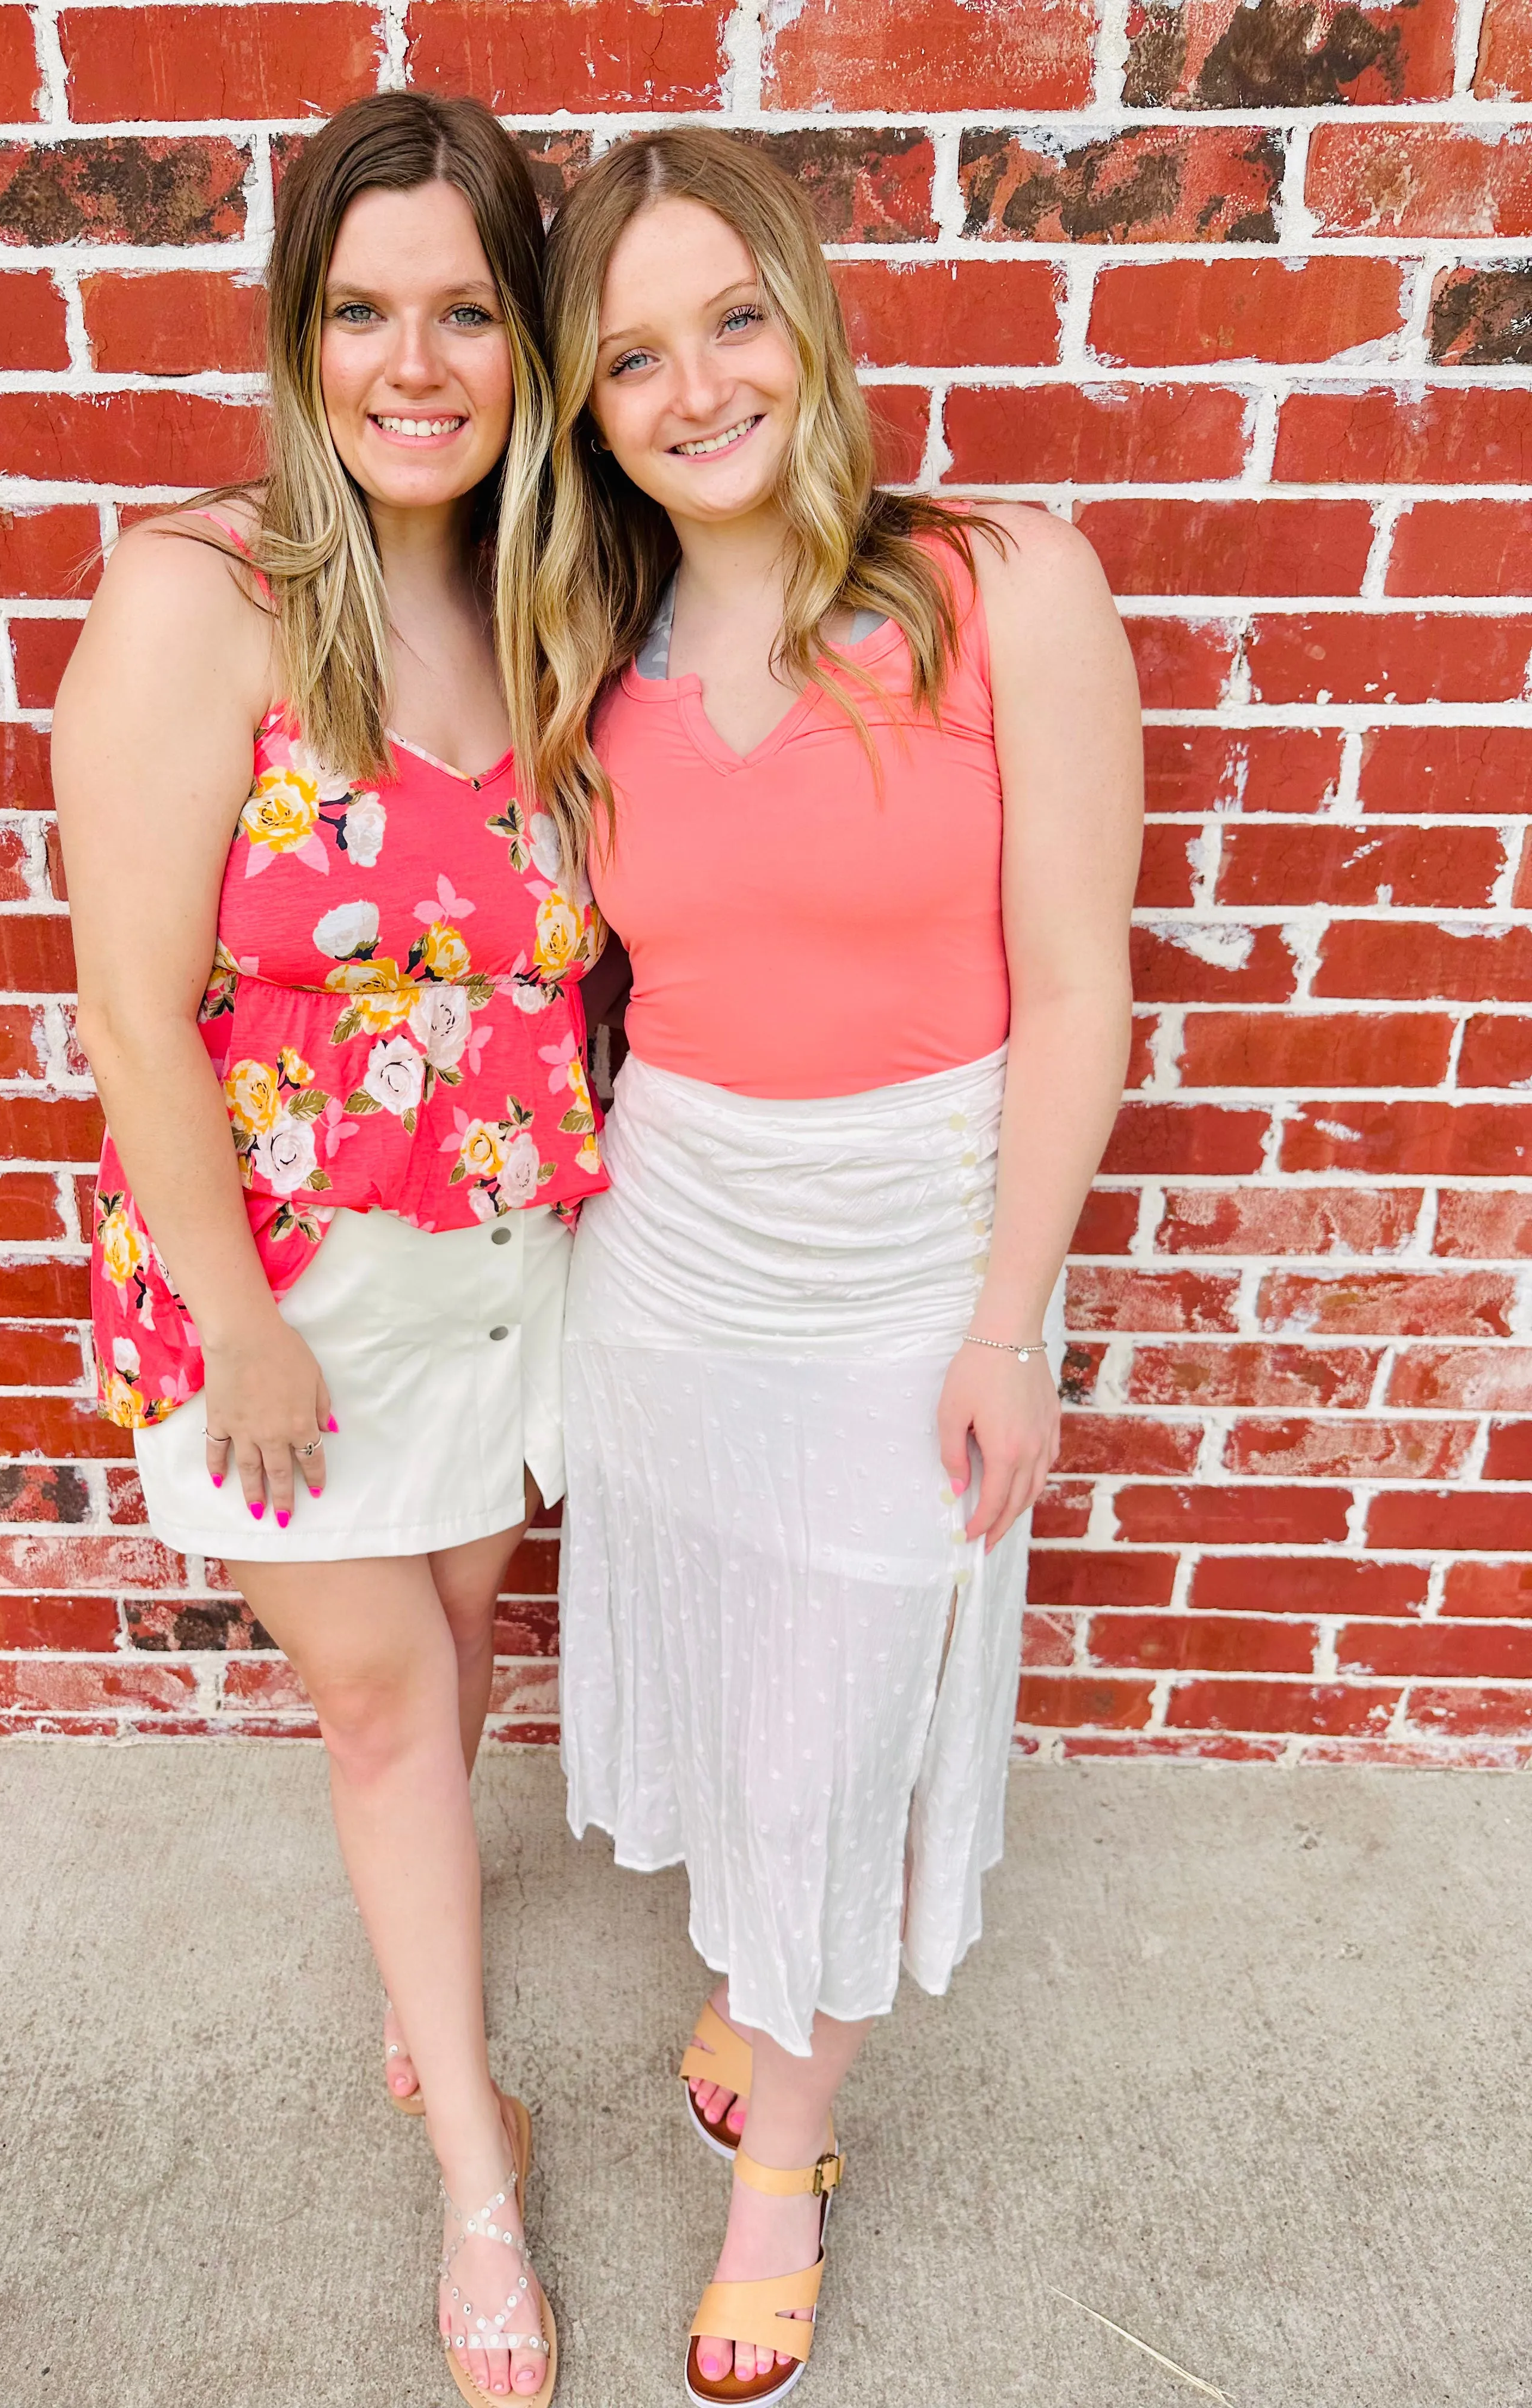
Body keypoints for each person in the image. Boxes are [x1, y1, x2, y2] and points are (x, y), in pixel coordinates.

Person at [532, 128, 1141, 2403]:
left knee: (860, 1714)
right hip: (678, 1249)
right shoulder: (593, 643)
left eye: (732, 320)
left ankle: (781, 2168)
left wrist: (1007, 1322)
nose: (695, 388)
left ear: (808, 314)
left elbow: (1078, 986)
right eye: (630, 360)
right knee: (739, 1681)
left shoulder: (1002, 585)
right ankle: (750, 1979)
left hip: (911, 1252)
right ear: (588, 415)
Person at [54, 90, 604, 2405]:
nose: (415, 362)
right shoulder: (205, 595)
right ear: (299, 332)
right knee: (378, 1696)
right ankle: (474, 2168)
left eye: (466, 310)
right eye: (363, 307)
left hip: (505, 1273)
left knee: (453, 1657)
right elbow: (127, 999)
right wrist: (249, 1329)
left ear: (527, 345)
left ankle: (422, 1981)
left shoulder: (553, 593)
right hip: (283, 1294)